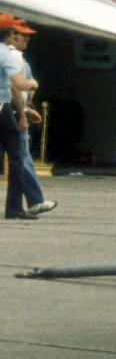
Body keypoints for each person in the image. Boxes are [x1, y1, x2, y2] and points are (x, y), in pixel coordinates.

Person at [0, 15, 55, 220]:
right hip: (2, 108)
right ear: (9, 34)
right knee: (17, 158)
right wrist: (33, 84)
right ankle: (14, 207)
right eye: (15, 32)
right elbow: (19, 84)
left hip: (6, 107)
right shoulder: (6, 53)